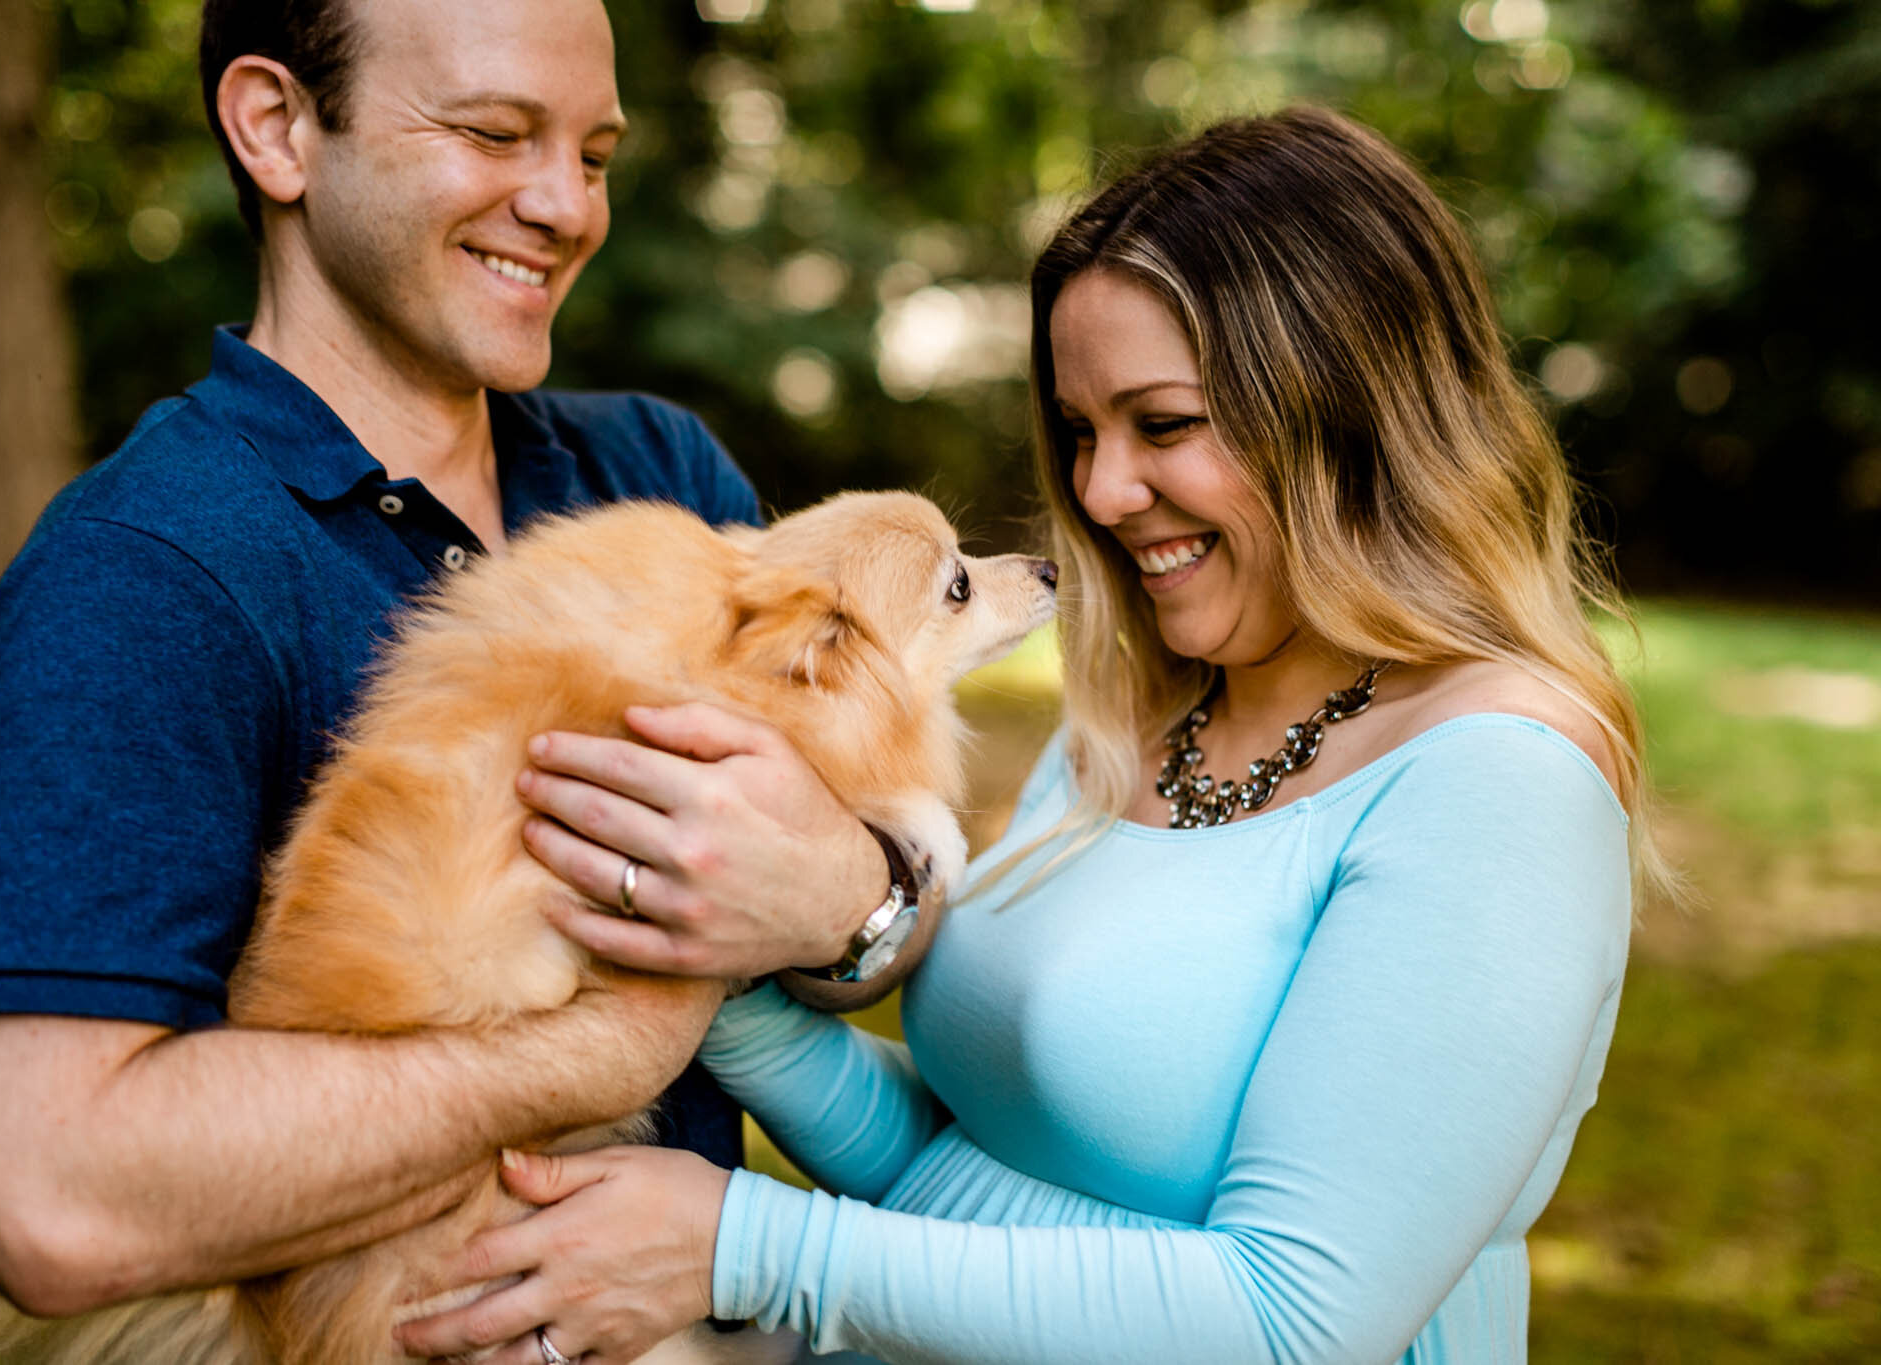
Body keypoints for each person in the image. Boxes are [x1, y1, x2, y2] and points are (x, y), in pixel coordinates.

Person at [394, 107, 1659, 1365]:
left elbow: (1291, 1324)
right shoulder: (1138, 722)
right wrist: (692, 963)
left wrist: (744, 1246)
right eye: (1079, 431)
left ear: (1349, 408)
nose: (1100, 495)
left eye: (1162, 424)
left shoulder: (1498, 780)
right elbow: (961, 1168)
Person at [0, 0, 918, 1342]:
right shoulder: (145, 570)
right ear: (278, 128)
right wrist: (606, 1049)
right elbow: (46, 1194)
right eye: (496, 134)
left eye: (598, 155)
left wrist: (854, 902)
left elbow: (859, 937)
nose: (566, 206)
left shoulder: (657, 477)